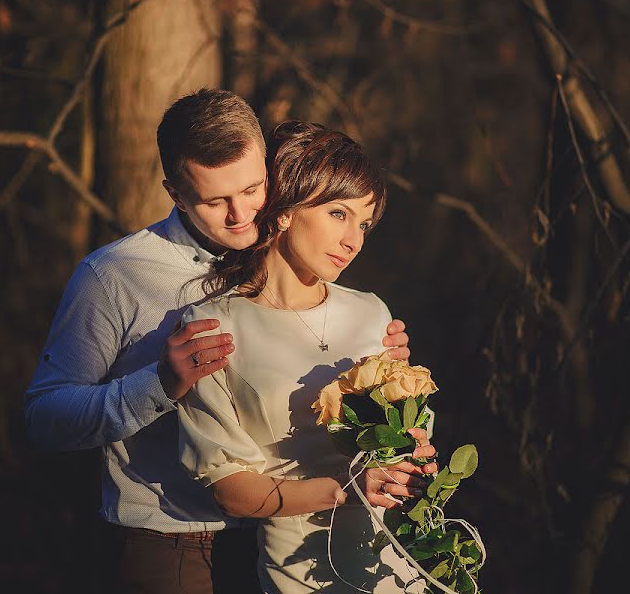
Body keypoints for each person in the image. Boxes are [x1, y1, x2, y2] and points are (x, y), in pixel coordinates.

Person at [23, 89, 412, 594]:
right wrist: (157, 385)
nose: (240, 215)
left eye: (253, 189)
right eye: (214, 201)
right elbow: (44, 418)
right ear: (176, 193)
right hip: (176, 546)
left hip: (297, 541)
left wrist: (373, 368)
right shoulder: (116, 276)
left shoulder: (299, 264)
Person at [176, 121, 438, 593]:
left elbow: (401, 437)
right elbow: (229, 489)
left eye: (363, 223)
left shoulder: (371, 312)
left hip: (397, 561)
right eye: (339, 214)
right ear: (285, 211)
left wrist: (414, 457)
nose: (353, 240)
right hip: (302, 570)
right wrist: (348, 489)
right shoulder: (213, 326)